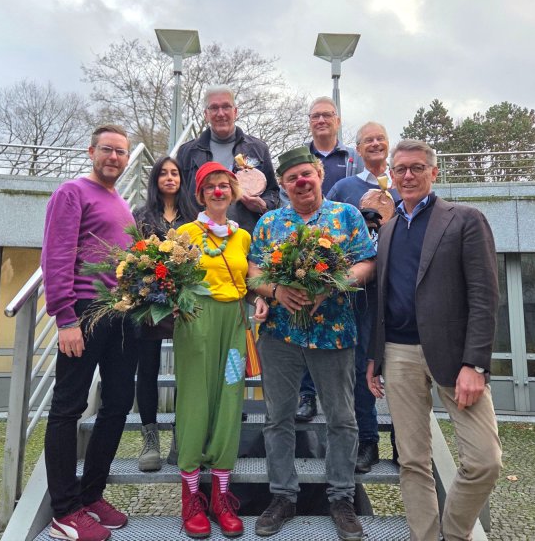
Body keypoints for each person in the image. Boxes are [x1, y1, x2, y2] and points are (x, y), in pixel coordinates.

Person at [366, 139, 503, 541]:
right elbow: (383, 298)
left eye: (416, 168)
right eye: (400, 169)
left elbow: (485, 296)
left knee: (484, 460)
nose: (407, 176)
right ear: (391, 175)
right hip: (399, 354)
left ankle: (455, 532)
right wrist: (376, 357)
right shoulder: (388, 230)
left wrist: (475, 364)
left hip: (454, 356)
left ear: (433, 173)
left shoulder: (465, 220)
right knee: (412, 460)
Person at [248, 146, 376, 541]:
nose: (301, 182)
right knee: (278, 418)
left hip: (334, 333)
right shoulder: (269, 223)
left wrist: (334, 283)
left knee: (341, 417)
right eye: (292, 178)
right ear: (283, 185)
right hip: (281, 336)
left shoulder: (346, 215)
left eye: (307, 174)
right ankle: (283, 496)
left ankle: (341, 497)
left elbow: (367, 263)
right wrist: (276, 290)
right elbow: (253, 273)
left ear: (319, 173)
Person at [41, 124, 139, 541]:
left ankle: (91, 494)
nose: (114, 158)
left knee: (117, 402)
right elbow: (57, 252)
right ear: (91, 151)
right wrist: (64, 317)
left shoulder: (120, 201)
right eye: (107, 150)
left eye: (120, 152)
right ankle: (64, 511)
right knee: (68, 407)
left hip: (121, 314)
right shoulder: (72, 192)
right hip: (84, 311)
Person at [174, 161, 269, 538]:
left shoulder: (243, 236)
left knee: (230, 398)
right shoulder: (184, 233)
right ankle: (191, 498)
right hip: (196, 322)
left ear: (234, 193)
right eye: (211, 186)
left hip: (234, 326)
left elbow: (252, 278)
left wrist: (262, 299)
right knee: (196, 401)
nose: (218, 191)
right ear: (200, 194)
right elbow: (172, 278)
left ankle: (220, 497)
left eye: (224, 186)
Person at [326, 122, 400, 474]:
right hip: (358, 290)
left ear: (388, 146)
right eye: (367, 140)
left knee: (400, 364)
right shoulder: (344, 187)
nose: (374, 144)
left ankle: (404, 440)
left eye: (380, 139)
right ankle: (367, 441)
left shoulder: (404, 184)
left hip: (398, 287)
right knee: (360, 365)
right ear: (357, 149)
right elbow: (324, 232)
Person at [295, 96, 364, 423]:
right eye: (315, 116)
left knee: (336, 321)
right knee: (306, 315)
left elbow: (365, 192)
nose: (321, 120)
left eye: (327, 115)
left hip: (344, 250)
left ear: (337, 120)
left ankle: (338, 398)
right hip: (303, 246)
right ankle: (306, 395)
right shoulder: (300, 158)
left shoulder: (353, 158)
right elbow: (289, 196)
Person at [131, 156, 196, 472]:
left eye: (175, 173)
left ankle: (182, 435)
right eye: (163, 173)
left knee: (188, 370)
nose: (170, 178)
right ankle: (149, 438)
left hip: (185, 302)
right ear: (155, 179)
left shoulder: (193, 215)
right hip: (150, 301)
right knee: (148, 369)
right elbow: (134, 256)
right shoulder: (141, 215)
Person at [176, 85, 280, 235]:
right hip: (198, 238)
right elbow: (178, 197)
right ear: (206, 114)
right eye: (214, 108)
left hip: (245, 237)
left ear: (235, 111)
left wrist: (264, 205)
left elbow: (273, 192)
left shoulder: (258, 148)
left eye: (226, 107)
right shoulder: (187, 152)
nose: (221, 113)